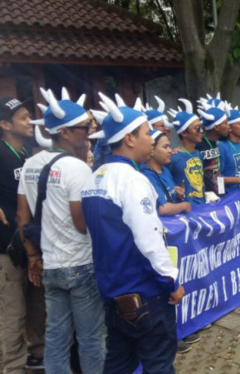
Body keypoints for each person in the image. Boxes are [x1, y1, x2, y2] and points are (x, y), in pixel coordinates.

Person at [83, 93, 184, 374]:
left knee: (116, 367)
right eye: (145, 133)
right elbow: (149, 240)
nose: (152, 138)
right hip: (146, 297)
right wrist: (170, 281)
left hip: (113, 298)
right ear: (129, 138)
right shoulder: (133, 181)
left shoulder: (94, 179)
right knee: (159, 366)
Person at [17, 88, 105, 374]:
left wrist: (33, 257)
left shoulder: (29, 165)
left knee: (55, 335)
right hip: (80, 263)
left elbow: (23, 215)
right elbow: (82, 224)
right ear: (64, 132)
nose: (89, 133)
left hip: (51, 265)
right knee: (90, 337)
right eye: (84, 128)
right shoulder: (77, 169)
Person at [0, 96, 46, 373]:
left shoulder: (28, 152)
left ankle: (37, 354)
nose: (31, 121)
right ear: (5, 124)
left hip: (32, 243)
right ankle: (13, 367)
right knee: (14, 312)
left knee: (37, 306)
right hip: (6, 248)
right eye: (24, 117)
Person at [141, 130, 191, 216]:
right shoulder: (148, 175)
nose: (170, 151)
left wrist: (179, 196)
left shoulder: (165, 170)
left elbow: (170, 200)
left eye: (169, 147)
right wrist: (184, 205)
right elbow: (163, 209)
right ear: (151, 150)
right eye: (165, 147)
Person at [167, 99, 205, 204]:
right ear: (184, 133)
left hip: (202, 209)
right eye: (197, 128)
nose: (201, 131)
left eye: (201, 127)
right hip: (184, 214)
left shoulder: (198, 154)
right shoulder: (172, 157)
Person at [196, 101, 229, 196]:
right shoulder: (199, 145)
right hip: (207, 198)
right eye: (225, 123)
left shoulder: (215, 142)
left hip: (219, 194)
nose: (228, 127)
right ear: (216, 127)